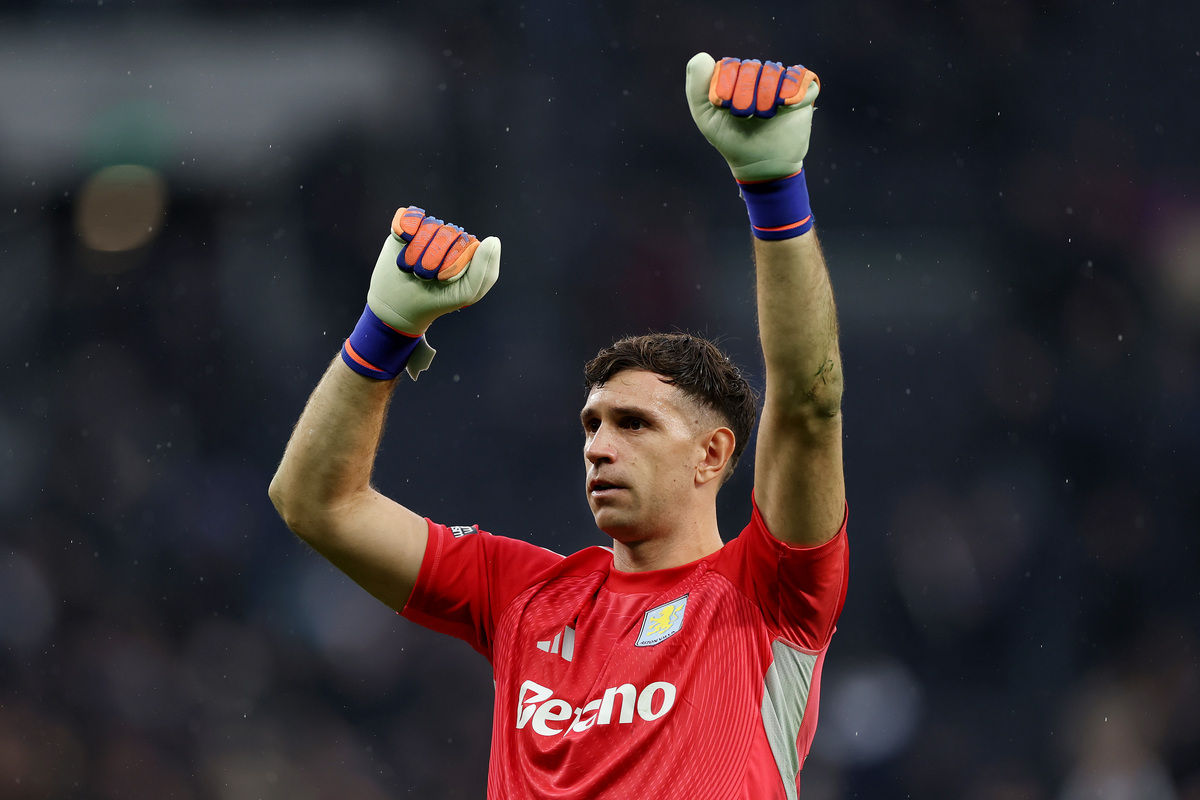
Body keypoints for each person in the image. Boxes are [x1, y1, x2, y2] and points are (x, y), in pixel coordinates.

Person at [270, 52, 848, 799]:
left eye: (634, 424)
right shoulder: (526, 596)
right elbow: (315, 503)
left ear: (712, 454)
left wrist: (773, 187)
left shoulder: (768, 592)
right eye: (592, 424)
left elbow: (808, 403)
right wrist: (383, 332)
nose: (600, 447)